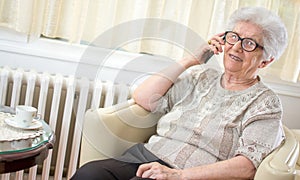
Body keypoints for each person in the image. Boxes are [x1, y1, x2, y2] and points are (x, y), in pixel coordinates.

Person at [72, 6, 288, 180]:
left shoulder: (266, 103)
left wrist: (179, 175)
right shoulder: (200, 78)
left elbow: (247, 166)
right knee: (90, 173)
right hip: (147, 156)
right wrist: (191, 60)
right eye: (233, 37)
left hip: (193, 174)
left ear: (266, 60)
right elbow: (143, 98)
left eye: (249, 43)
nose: (236, 48)